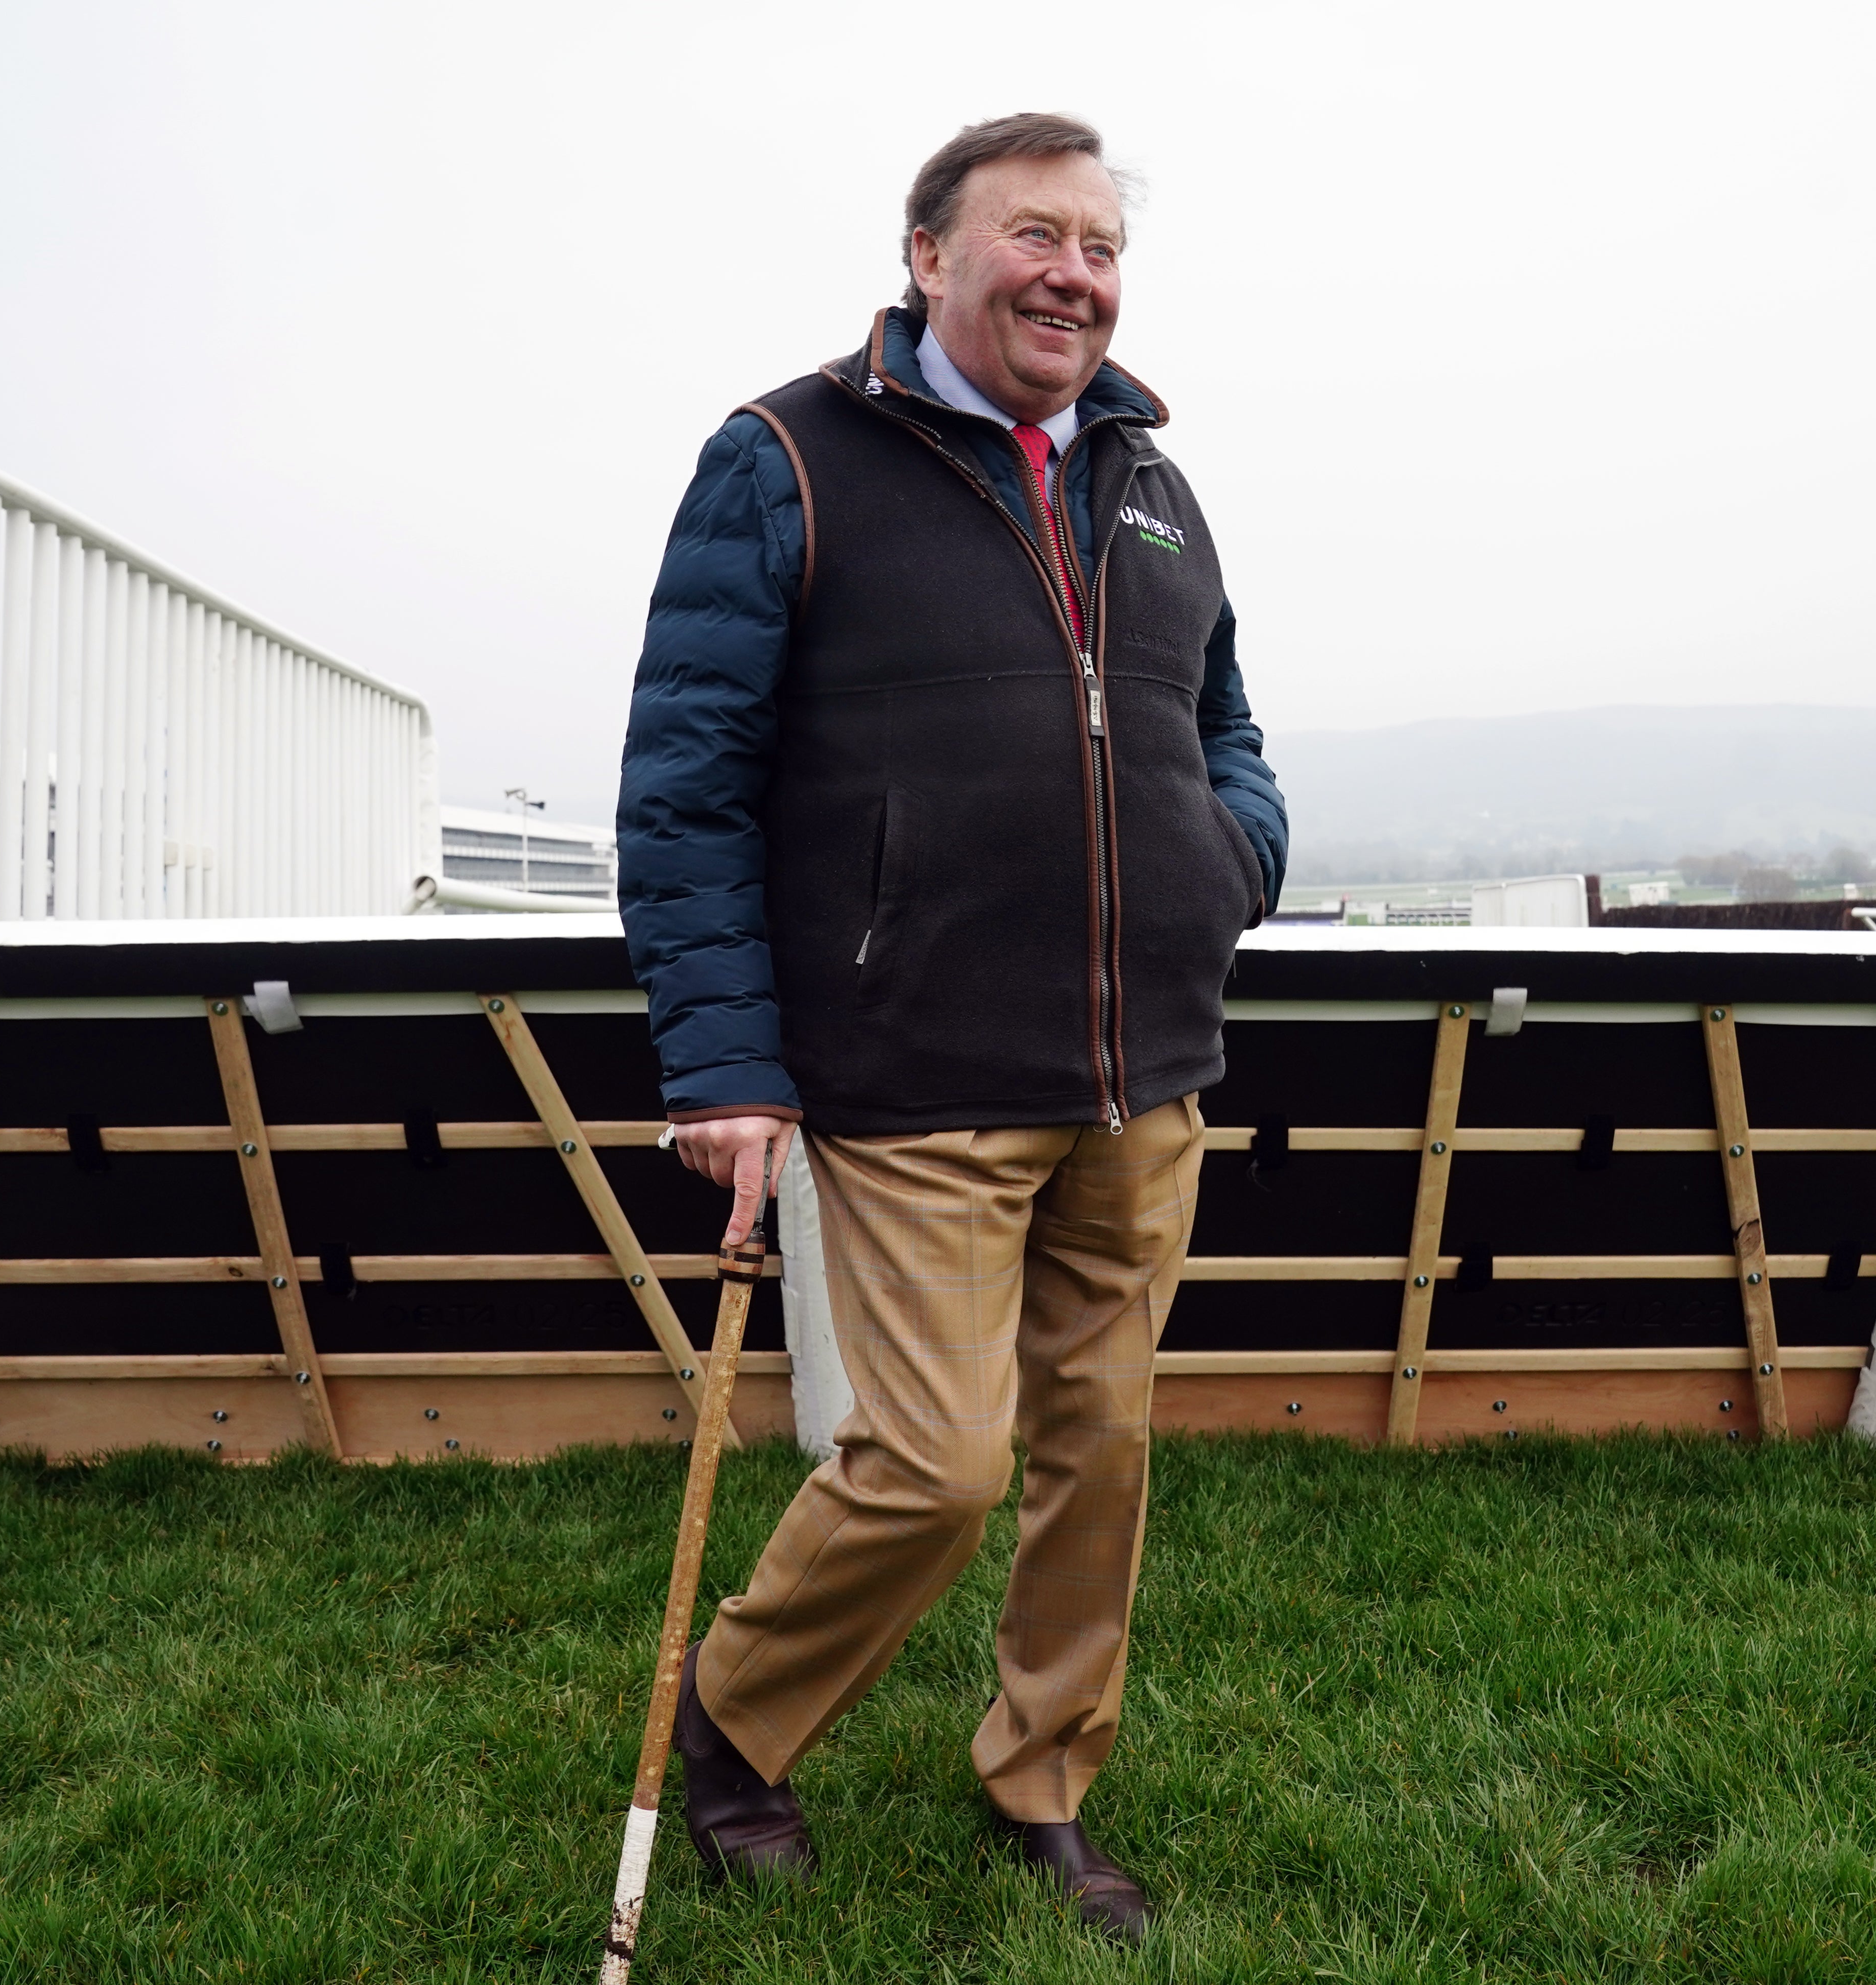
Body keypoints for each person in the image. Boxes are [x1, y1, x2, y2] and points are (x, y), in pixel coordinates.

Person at [611, 110, 1286, 1941]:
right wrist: (726, 1063)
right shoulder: (786, 457)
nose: (1076, 272)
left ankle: (1047, 1775)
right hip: (911, 1073)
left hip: (1143, 1068)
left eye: (1101, 244)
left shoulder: (1149, 473)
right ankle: (735, 1721)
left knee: (1099, 1450)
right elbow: (686, 785)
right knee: (934, 1463)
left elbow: (1220, 713)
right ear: (928, 254)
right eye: (1034, 234)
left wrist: (1236, 855)